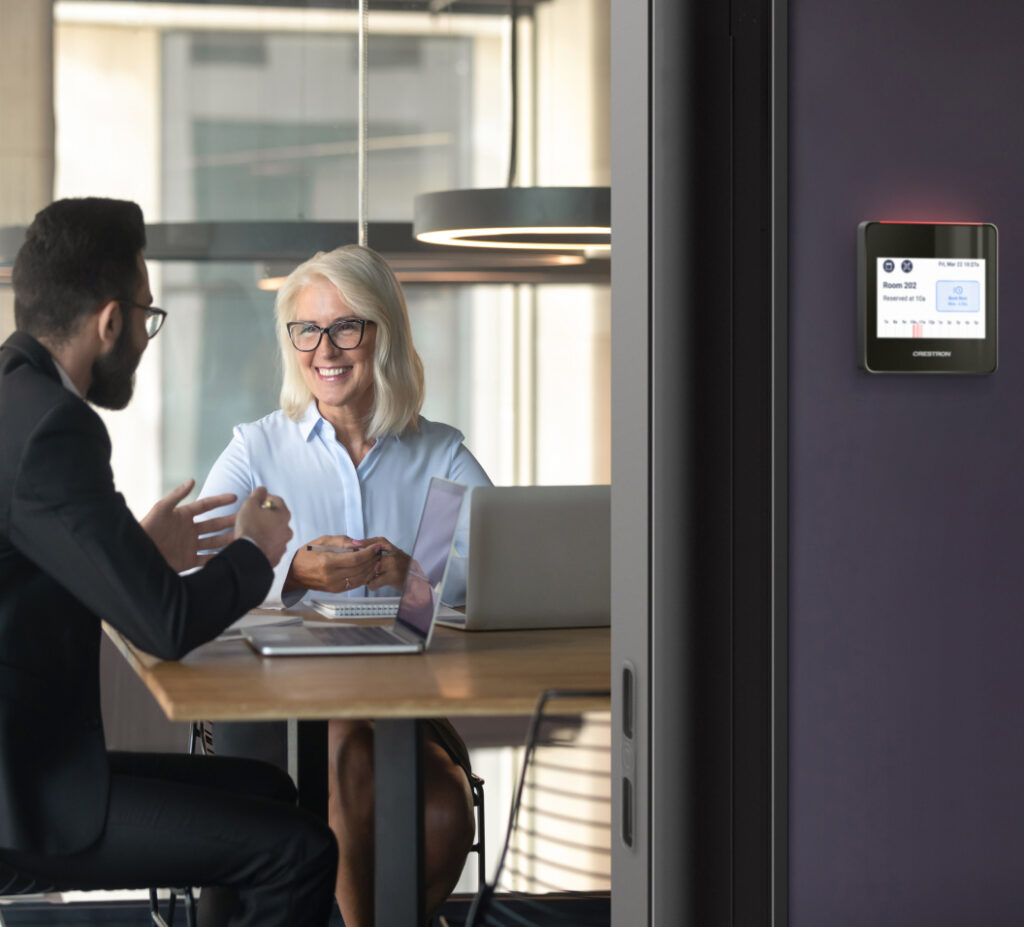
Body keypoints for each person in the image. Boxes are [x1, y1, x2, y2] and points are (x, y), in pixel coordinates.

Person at [0, 198, 338, 927]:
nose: (148, 339)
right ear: (111, 320)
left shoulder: (14, 398)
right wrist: (256, 548)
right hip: (23, 797)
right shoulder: (56, 427)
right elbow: (166, 624)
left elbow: (29, 570)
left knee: (269, 792)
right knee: (300, 849)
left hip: (36, 765)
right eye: (148, 317)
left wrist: (137, 552)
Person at [199, 244, 492, 927]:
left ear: (382, 333)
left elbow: (489, 577)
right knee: (347, 749)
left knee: (446, 808)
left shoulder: (439, 452)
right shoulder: (258, 449)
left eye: (346, 327)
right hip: (274, 717)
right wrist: (290, 570)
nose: (324, 348)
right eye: (307, 329)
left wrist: (416, 579)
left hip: (403, 708)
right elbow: (197, 571)